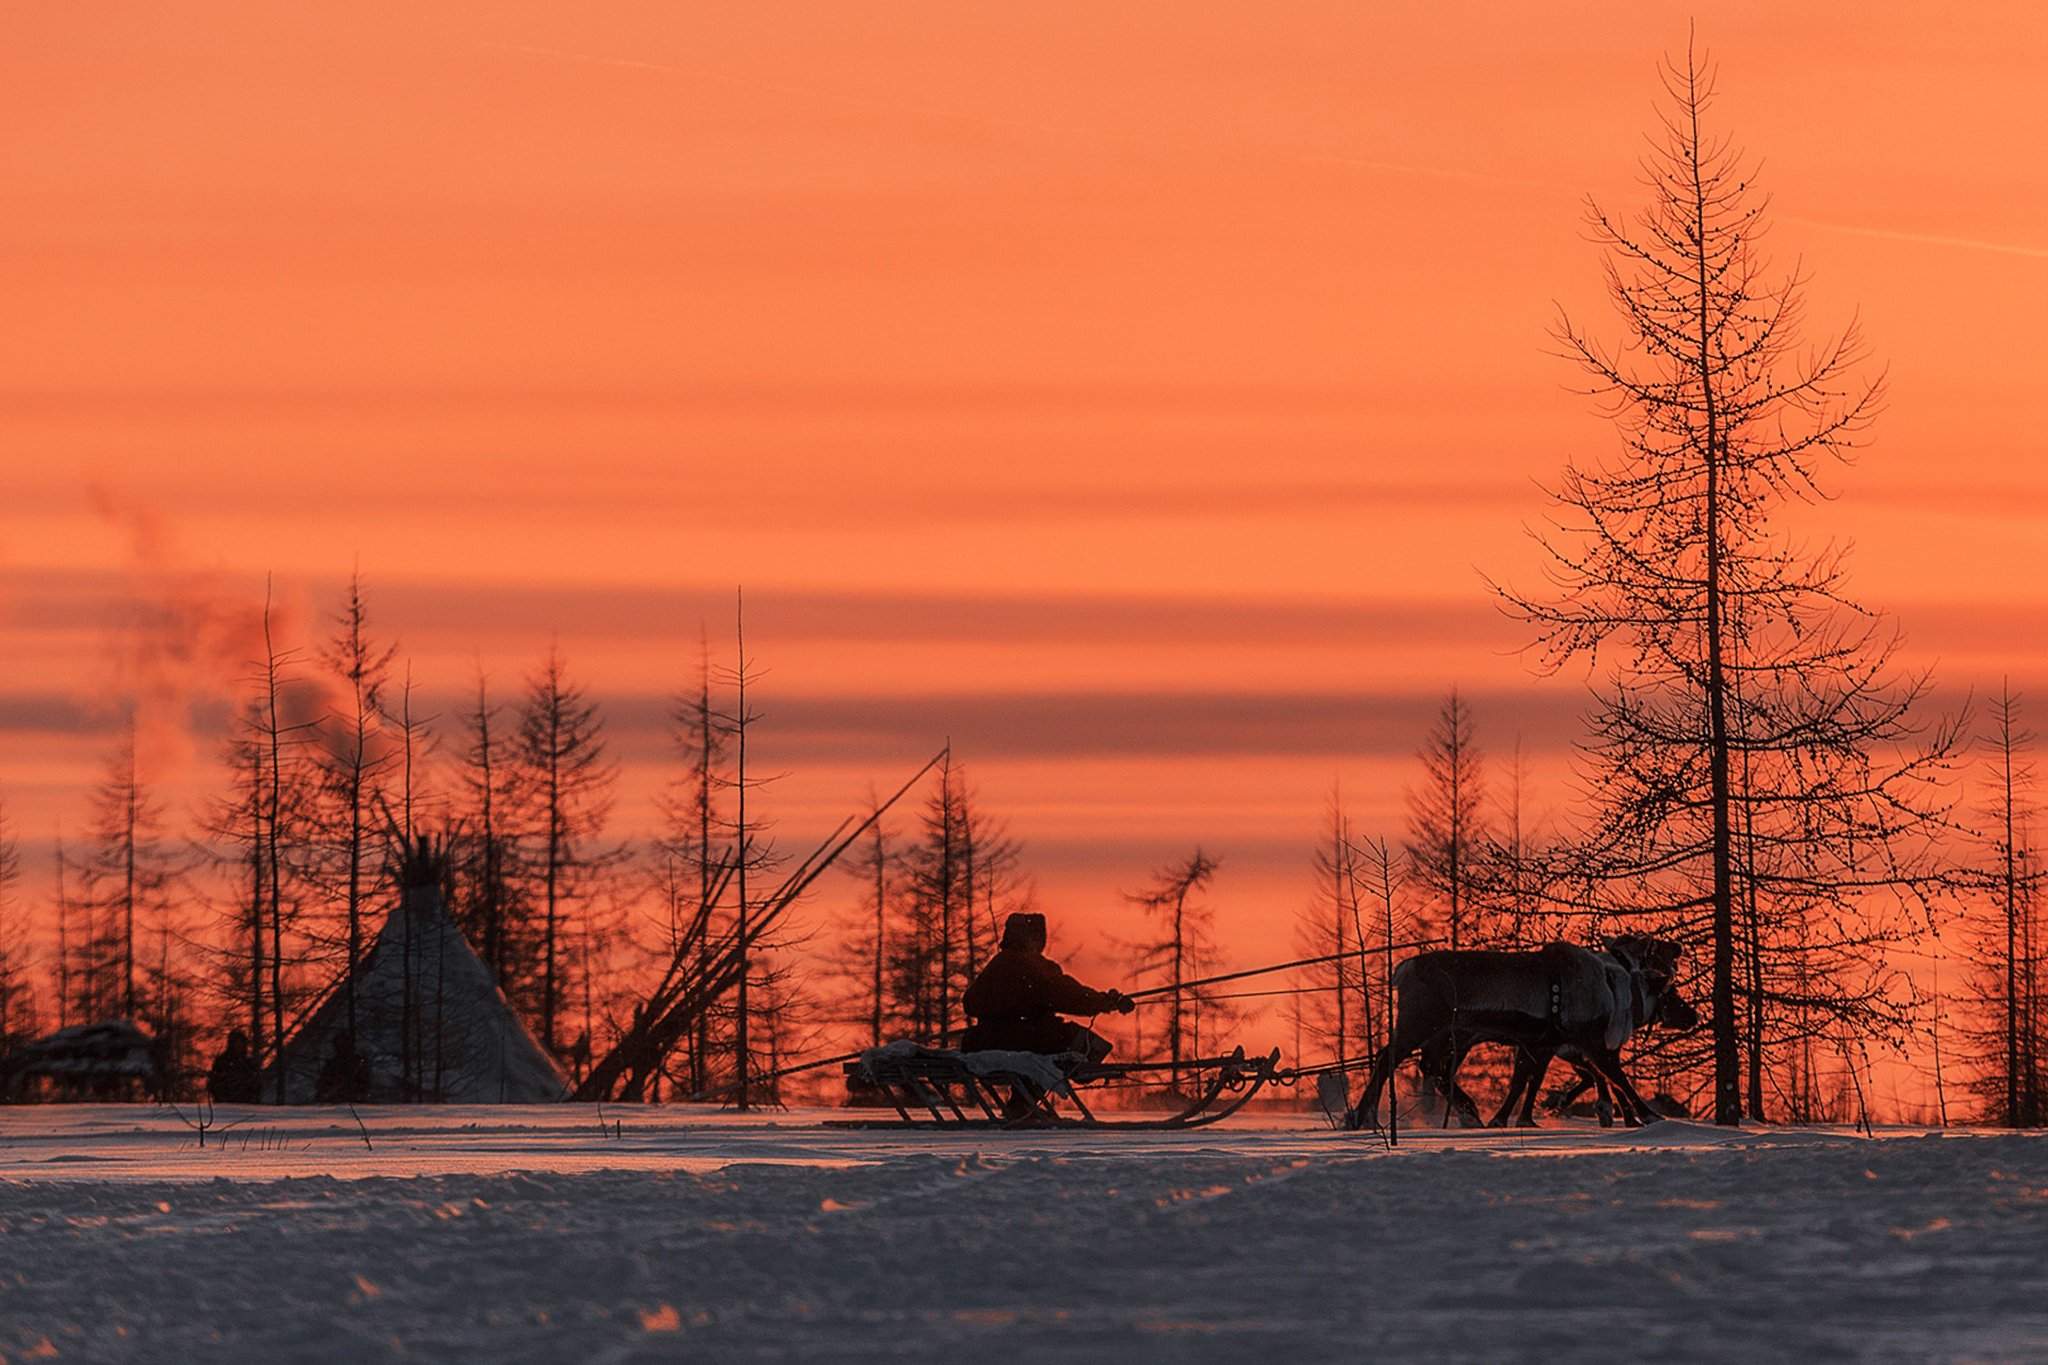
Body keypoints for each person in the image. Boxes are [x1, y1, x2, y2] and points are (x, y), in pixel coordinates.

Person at [959, 912, 1135, 1063]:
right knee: (1082, 1042)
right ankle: (1032, 1095)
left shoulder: (997, 964)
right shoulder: (1035, 967)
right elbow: (1070, 996)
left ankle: (1023, 1098)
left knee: (1044, 1037)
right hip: (1021, 1044)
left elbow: (970, 1002)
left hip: (983, 1043)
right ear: (1035, 939)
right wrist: (1107, 1002)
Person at [207, 1029, 259, 1104]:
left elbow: (256, 1085)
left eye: (241, 1042)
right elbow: (215, 1084)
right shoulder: (222, 1062)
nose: (239, 1045)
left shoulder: (249, 1063)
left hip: (246, 1104)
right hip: (225, 1105)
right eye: (236, 1042)